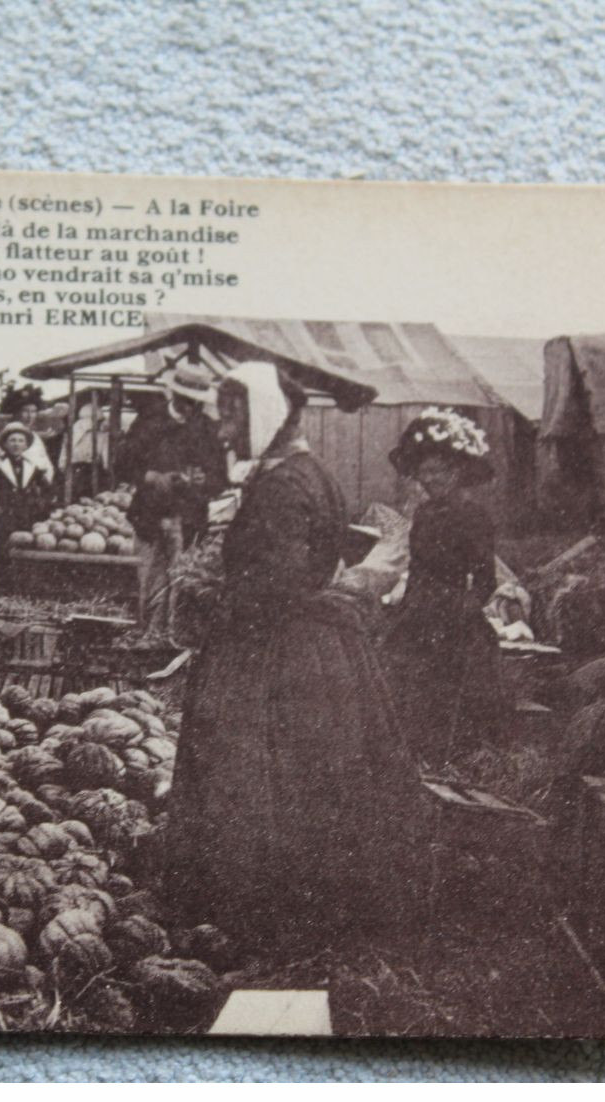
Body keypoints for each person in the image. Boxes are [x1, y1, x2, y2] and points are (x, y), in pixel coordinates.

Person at [162, 363, 427, 947]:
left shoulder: (281, 485)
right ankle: (303, 904)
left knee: (260, 777)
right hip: (314, 643)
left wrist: (212, 601)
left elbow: (274, 588)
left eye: (231, 416)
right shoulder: (309, 471)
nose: (224, 431)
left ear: (262, 413)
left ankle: (263, 911)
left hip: (275, 650)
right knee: (314, 777)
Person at [382, 408, 504, 767]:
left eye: (439, 471)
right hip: (418, 609)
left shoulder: (474, 516)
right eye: (425, 472)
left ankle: (448, 761)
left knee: (447, 694)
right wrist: (407, 606)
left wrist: (459, 612)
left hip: (453, 618)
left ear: (458, 472)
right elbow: (417, 567)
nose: (430, 480)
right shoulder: (423, 514)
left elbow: (485, 581)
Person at [130, 362, 227, 634]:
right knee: (149, 580)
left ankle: (172, 638)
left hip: (190, 517)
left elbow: (221, 478)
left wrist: (203, 480)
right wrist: (153, 477)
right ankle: (146, 634)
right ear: (173, 394)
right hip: (149, 515)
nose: (191, 407)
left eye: (196, 402)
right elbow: (123, 463)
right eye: (186, 401)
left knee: (183, 581)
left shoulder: (209, 429)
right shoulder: (149, 421)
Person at [0, 421, 52, 595]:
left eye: (21, 440)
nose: (16, 444)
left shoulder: (33, 467)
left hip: (27, 517)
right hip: (3, 518)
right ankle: (1, 594)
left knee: (26, 554)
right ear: (4, 444)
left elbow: (48, 490)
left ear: (26, 444)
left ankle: (23, 592)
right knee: (2, 554)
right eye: (12, 440)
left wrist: (41, 506)